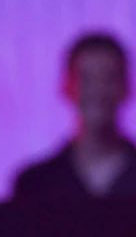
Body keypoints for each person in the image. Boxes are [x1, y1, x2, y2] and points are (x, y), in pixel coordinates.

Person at [13, 32, 136, 201]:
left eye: (109, 78)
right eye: (86, 79)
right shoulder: (34, 184)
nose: (98, 91)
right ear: (67, 87)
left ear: (126, 87)